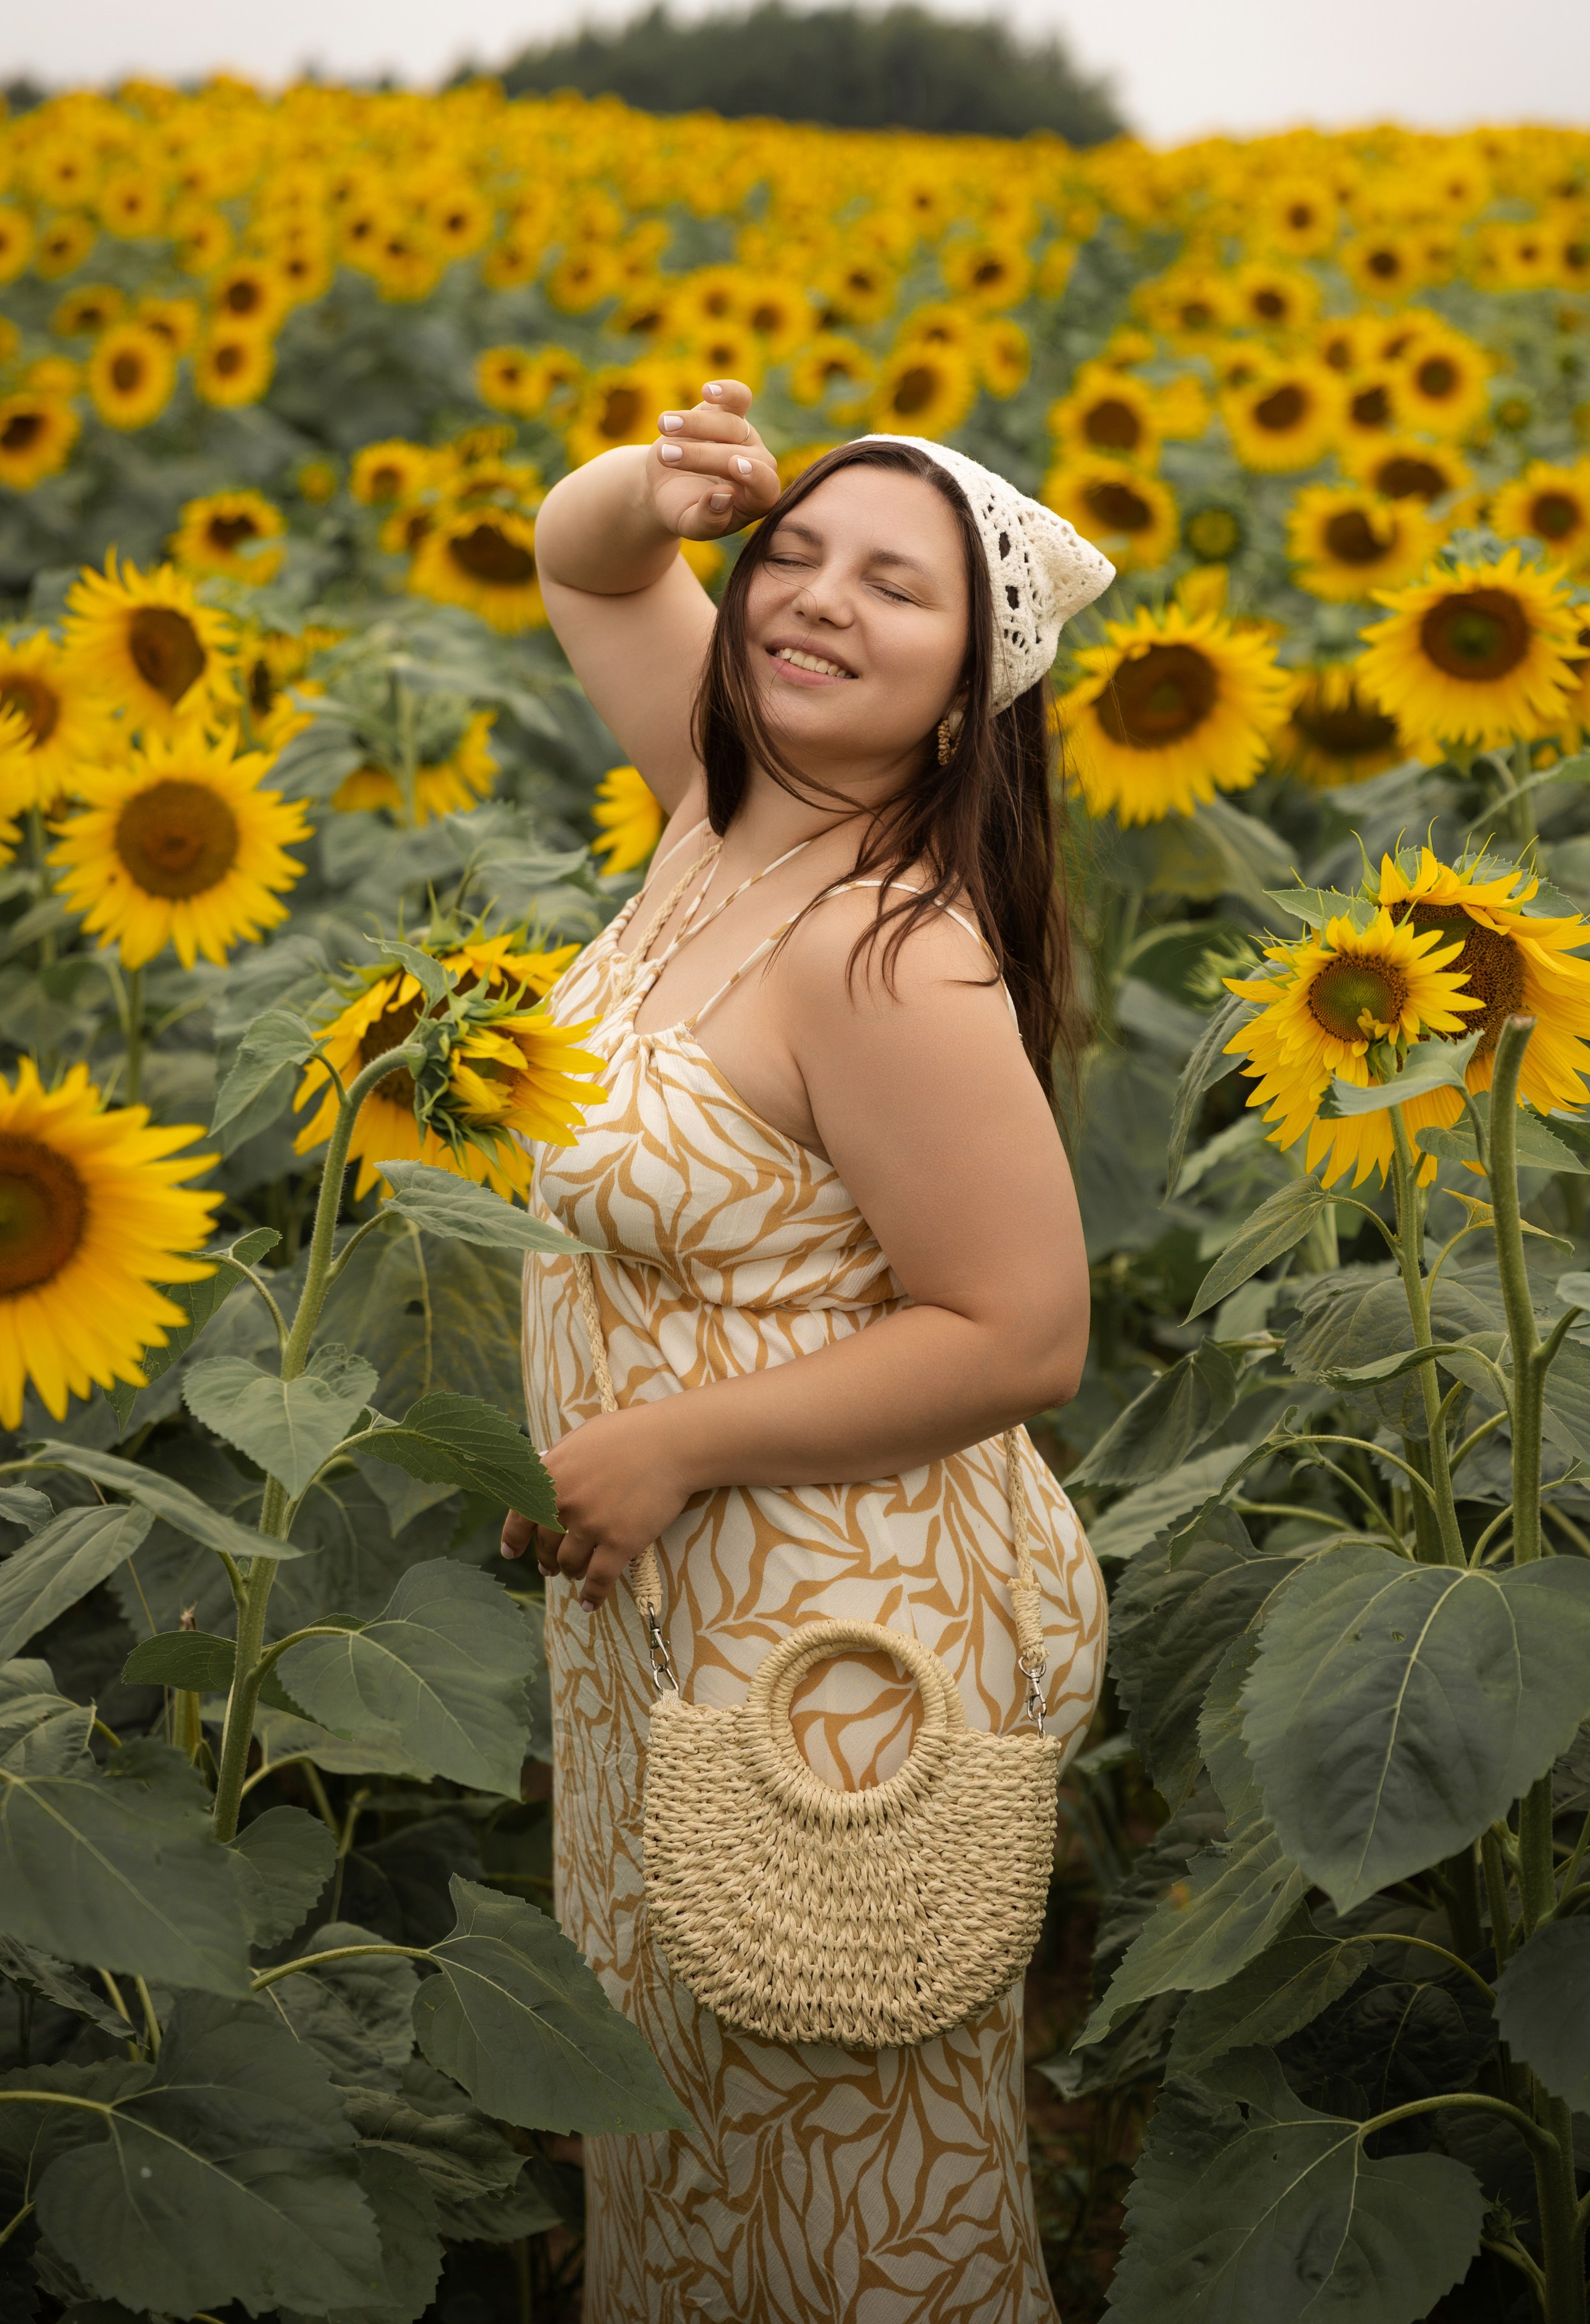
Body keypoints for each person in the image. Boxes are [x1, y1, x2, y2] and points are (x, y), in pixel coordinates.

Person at [505, 380, 1112, 2323]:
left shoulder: (888, 948)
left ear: (967, 693)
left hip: (838, 1629)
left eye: (896, 587)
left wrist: (671, 1441)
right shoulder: (723, 814)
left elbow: (1022, 1332)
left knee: (853, 2185)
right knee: (690, 2133)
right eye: (796, 555)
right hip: (673, 1601)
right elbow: (588, 565)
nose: (820, 599)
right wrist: (669, 484)